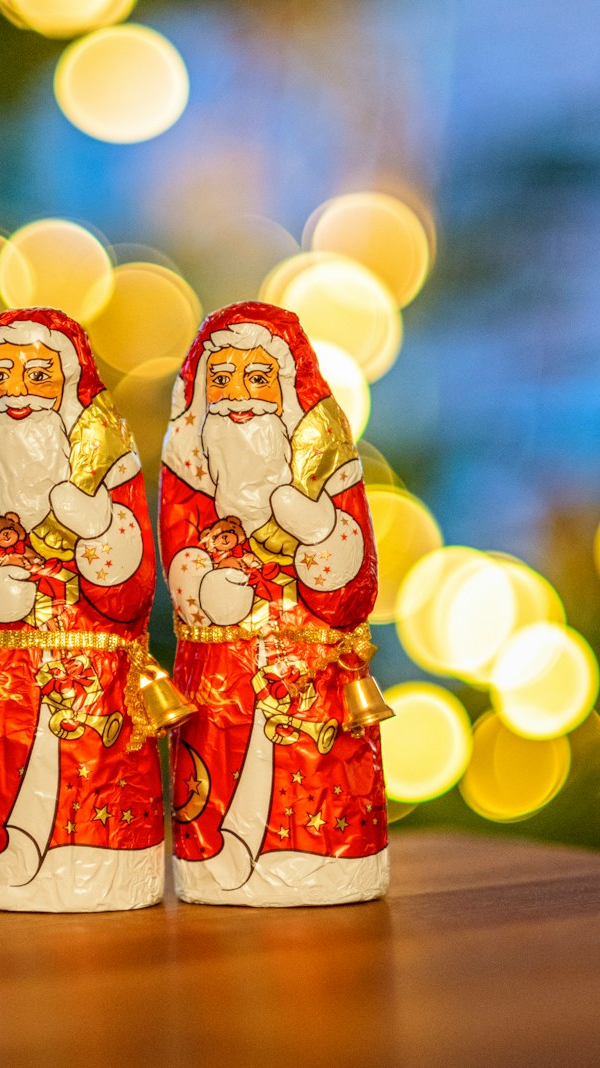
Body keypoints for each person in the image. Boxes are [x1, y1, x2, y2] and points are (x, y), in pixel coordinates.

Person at [160, 301, 389, 906]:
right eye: (223, 379)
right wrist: (206, 585)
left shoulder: (326, 458)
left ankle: (320, 858)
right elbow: (177, 546)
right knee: (225, 762)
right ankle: (221, 851)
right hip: (220, 667)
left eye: (258, 379)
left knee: (310, 767)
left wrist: (317, 530)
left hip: (313, 668)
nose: (239, 397)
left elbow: (355, 578)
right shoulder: (189, 458)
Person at [0, 308, 163, 912]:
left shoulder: (106, 460)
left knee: (84, 774)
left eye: (38, 376)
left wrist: (98, 532)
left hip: (93, 676)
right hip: (2, 675)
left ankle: (92, 858)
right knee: (5, 771)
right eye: (1, 376)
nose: (17, 393)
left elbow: (136, 582)